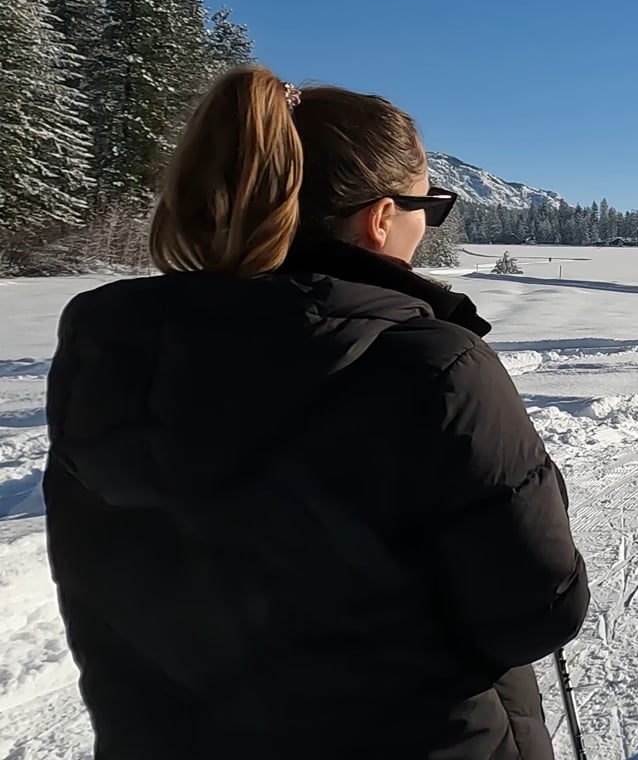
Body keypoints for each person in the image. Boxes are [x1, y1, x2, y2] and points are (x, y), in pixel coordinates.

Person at [45, 68, 590, 760]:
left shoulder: (108, 349)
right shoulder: (430, 366)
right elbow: (536, 611)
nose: (428, 224)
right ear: (380, 218)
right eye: (431, 205)